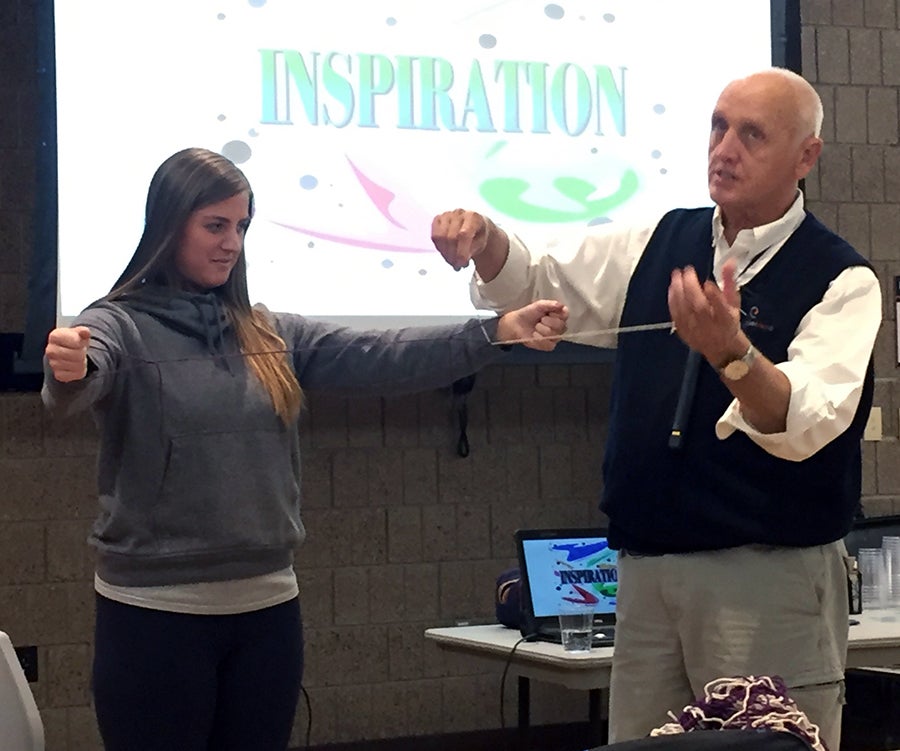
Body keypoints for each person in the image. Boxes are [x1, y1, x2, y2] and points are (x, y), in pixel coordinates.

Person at [42, 147, 568, 751]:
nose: (231, 243)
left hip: (267, 613)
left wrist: (497, 332)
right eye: (215, 225)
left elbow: (386, 354)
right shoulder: (118, 324)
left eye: (240, 227)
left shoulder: (267, 331)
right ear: (169, 225)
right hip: (153, 615)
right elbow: (78, 380)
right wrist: (71, 367)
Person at [430, 67, 882, 751]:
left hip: (766, 577)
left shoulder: (841, 278)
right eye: (718, 125)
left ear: (806, 156)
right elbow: (539, 278)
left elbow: (806, 423)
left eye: (752, 134)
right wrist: (485, 238)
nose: (724, 148)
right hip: (644, 576)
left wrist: (733, 355)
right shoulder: (664, 240)